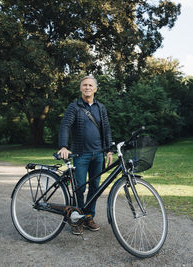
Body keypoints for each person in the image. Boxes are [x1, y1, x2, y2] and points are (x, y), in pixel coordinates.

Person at [58, 74, 113, 235]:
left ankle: (89, 217)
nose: (87, 87)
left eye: (90, 85)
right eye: (84, 85)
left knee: (95, 188)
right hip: (81, 155)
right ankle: (77, 219)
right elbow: (65, 126)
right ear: (81, 88)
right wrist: (63, 146)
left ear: (95, 88)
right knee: (79, 188)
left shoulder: (100, 107)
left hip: (98, 155)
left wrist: (109, 149)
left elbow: (106, 129)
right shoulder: (74, 107)